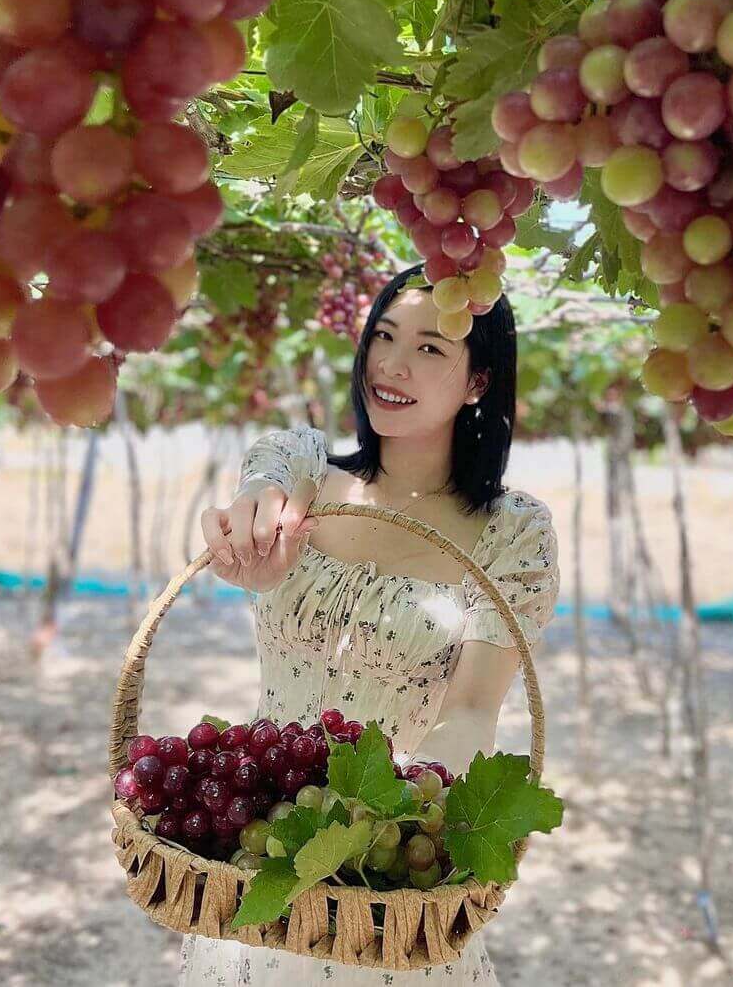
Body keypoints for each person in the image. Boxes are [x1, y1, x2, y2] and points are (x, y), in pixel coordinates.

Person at [178, 262, 561, 985]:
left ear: (478, 381)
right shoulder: (305, 469)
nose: (391, 363)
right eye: (383, 336)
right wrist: (246, 529)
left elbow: (472, 709)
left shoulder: (512, 533)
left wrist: (397, 820)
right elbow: (263, 485)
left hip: (384, 877)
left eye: (429, 347)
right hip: (255, 848)